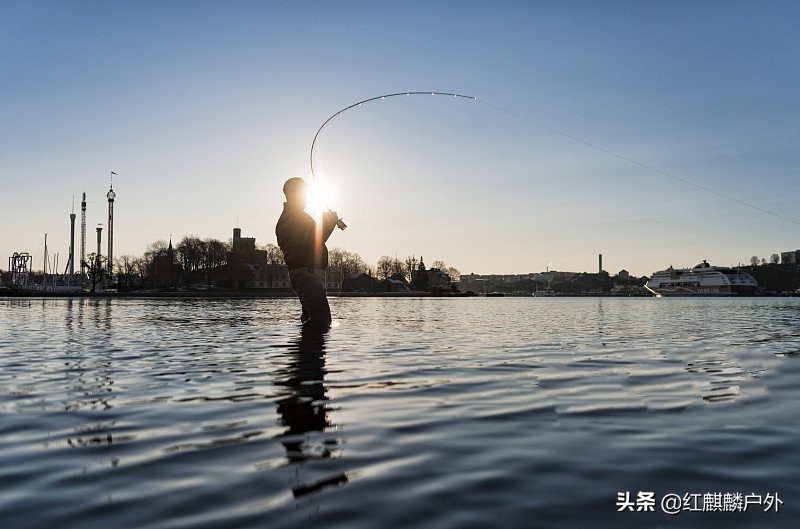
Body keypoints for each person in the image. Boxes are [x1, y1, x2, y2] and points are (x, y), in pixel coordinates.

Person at [276, 177, 340, 330]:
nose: (307, 197)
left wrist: (327, 221)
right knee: (321, 319)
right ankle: (310, 345)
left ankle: (306, 345)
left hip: (307, 273)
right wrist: (329, 221)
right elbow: (315, 240)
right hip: (307, 274)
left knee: (311, 317)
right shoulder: (294, 218)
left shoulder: (292, 217)